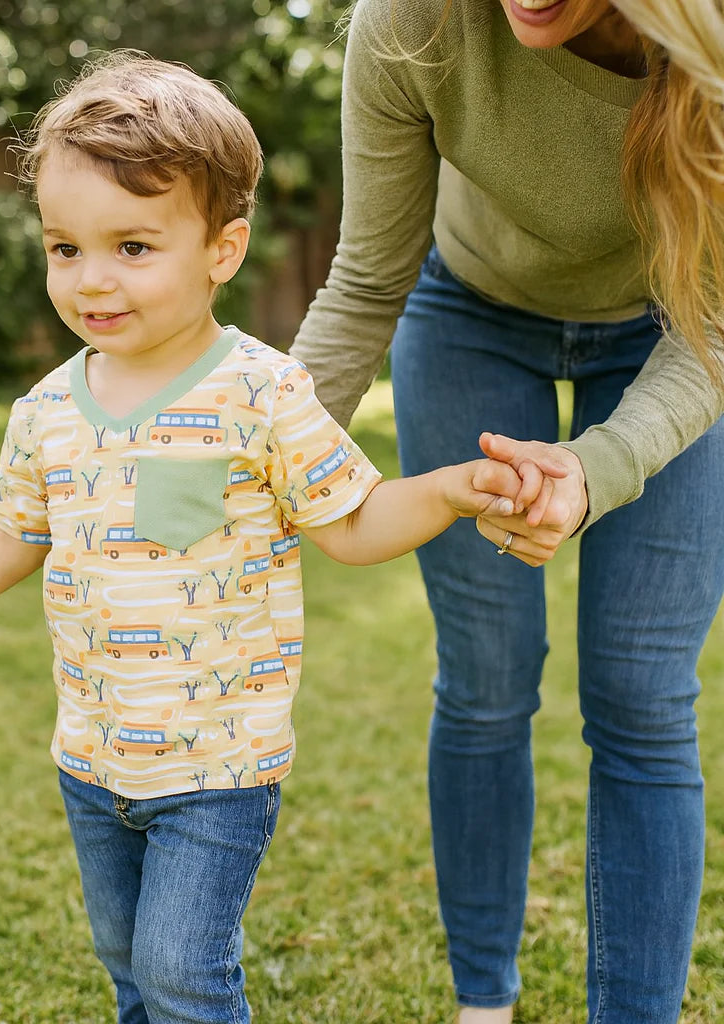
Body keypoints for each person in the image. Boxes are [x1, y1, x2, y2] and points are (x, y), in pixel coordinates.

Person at [0, 53, 536, 1024]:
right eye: (65, 248)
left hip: (217, 766)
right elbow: (13, 533)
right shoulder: (47, 410)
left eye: (131, 247)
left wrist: (447, 489)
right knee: (129, 966)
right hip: (91, 758)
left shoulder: (261, 393)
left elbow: (350, 525)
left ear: (221, 250)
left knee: (185, 969)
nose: (91, 278)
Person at [289, 1, 724, 1022]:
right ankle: (482, 1004)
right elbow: (364, 281)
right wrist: (254, 465)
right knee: (483, 683)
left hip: (673, 333)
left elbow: (711, 319)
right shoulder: (411, 21)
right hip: (470, 315)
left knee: (643, 695)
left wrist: (598, 467)